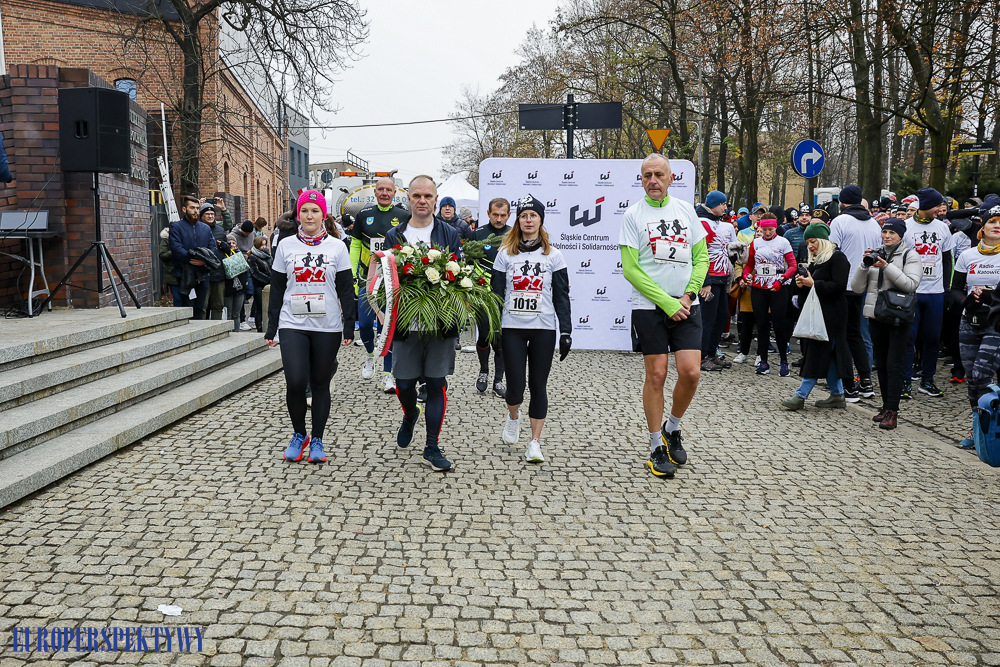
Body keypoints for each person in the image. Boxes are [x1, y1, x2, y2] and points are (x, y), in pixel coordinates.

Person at [619, 154, 708, 479]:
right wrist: (667, 303)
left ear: (671, 178)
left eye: (659, 174)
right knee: (656, 375)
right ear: (641, 180)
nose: (653, 180)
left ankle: (673, 428)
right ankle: (656, 445)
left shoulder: (686, 210)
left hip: (687, 304)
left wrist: (687, 295)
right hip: (649, 308)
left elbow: (701, 258)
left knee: (691, 372)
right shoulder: (633, 215)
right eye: (647, 175)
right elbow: (631, 269)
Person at [265, 190, 356, 464]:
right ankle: (299, 434)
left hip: (326, 325)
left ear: (323, 215)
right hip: (293, 323)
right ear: (298, 215)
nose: (309, 216)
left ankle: (317, 439)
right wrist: (271, 328)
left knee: (319, 384)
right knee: (294, 382)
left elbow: (345, 288)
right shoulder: (286, 246)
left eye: (315, 211)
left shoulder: (337, 247)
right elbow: (278, 288)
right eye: (304, 210)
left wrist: (349, 325)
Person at [384, 175, 465, 472]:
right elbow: (386, 280)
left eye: (427, 196)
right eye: (416, 195)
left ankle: (432, 447)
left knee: (435, 384)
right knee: (404, 383)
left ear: (435, 199)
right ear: (408, 198)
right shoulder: (395, 236)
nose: (422, 201)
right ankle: (409, 414)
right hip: (407, 324)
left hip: (440, 325)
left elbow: (460, 276)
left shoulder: (449, 234)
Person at [492, 195, 571, 463]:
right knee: (515, 388)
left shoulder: (554, 255)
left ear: (540, 220)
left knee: (539, 385)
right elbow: (496, 294)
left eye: (533, 216)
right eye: (524, 215)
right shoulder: (505, 254)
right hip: (512, 326)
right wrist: (493, 326)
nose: (528, 220)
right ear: (518, 220)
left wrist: (566, 331)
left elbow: (561, 296)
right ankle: (513, 416)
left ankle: (535, 442)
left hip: (543, 328)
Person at [850, 218, 921, 429]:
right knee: (881, 364)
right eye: (884, 232)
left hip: (898, 316)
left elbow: (911, 284)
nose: (887, 236)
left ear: (901, 235)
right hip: (877, 314)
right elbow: (856, 287)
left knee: (894, 364)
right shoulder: (876, 253)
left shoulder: (910, 255)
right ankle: (885, 406)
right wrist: (864, 265)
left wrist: (887, 266)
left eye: (892, 232)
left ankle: (893, 410)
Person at [781, 223, 854, 410]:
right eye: (807, 242)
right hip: (821, 312)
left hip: (833, 314)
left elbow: (838, 286)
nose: (810, 246)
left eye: (813, 241)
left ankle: (800, 396)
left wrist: (813, 283)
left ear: (822, 240)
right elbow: (814, 288)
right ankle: (837, 395)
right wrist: (801, 284)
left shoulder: (838, 258)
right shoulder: (818, 260)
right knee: (828, 355)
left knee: (817, 352)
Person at [351, 177, 411, 393]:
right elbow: (356, 245)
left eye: (389, 190)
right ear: (375, 192)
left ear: (395, 193)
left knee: (389, 328)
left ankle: (388, 375)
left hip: (392, 281)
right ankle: (369, 355)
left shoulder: (404, 216)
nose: (385, 193)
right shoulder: (364, 215)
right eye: (381, 189)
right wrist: (352, 271)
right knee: (366, 325)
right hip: (369, 278)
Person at [829, 184, 881, 401]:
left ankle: (848, 385)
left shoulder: (840, 221)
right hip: (866, 285)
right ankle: (866, 381)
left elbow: (831, 251)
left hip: (844, 284)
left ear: (842, 202)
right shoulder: (875, 225)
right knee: (858, 335)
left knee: (842, 336)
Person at [901, 187, 954, 399]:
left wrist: (948, 289)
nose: (940, 209)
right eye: (936, 206)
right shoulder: (905, 227)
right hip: (912, 290)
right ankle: (905, 381)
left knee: (932, 338)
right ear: (924, 206)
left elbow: (947, 258)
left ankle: (927, 379)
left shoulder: (942, 228)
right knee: (908, 337)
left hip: (935, 291)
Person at [955, 205, 1000, 448]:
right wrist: (968, 301)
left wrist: (991, 296)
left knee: (982, 375)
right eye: (992, 221)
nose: (997, 225)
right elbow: (954, 290)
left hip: (996, 323)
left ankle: (993, 428)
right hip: (969, 321)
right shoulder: (967, 255)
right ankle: (978, 431)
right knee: (973, 381)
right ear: (982, 225)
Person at [740, 215, 796, 376]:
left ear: (776, 228)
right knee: (762, 325)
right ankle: (763, 362)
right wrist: (746, 275)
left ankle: (784, 361)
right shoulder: (756, 242)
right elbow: (749, 265)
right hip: (759, 286)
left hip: (778, 285)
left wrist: (783, 279)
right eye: (764, 230)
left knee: (778, 325)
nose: (767, 233)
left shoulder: (783, 242)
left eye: (770, 229)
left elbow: (792, 265)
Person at [471, 197, 512, 396]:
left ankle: (499, 380)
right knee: (485, 334)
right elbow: (468, 266)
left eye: (503, 215)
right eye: (495, 214)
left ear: (508, 215)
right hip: (483, 296)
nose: (498, 219)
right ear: (488, 214)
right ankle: (483, 372)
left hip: (507, 296)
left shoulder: (515, 235)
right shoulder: (477, 234)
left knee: (501, 339)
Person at [697, 190, 735, 370]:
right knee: (707, 319)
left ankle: (712, 353)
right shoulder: (703, 222)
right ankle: (701, 356)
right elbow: (698, 254)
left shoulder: (717, 223)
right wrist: (705, 280)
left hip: (721, 278)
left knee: (721, 318)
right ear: (713, 204)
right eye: (723, 204)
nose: (725, 208)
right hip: (709, 279)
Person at [168, 195, 214, 319]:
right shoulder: (176, 227)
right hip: (184, 274)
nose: (196, 211)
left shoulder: (205, 228)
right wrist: (193, 260)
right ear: (184, 209)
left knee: (200, 307)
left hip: (203, 273)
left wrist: (203, 261)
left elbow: (212, 248)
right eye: (192, 208)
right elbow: (176, 249)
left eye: (198, 208)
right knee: (186, 308)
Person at [200, 201, 232, 320]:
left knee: (218, 305)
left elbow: (229, 250)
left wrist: (225, 246)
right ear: (201, 216)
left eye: (212, 214)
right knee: (202, 306)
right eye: (207, 214)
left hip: (219, 273)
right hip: (203, 273)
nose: (210, 216)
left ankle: (216, 330)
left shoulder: (219, 230)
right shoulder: (197, 229)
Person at [247, 235, 271, 333]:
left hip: (269, 283)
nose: (264, 247)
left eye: (265, 245)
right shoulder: (253, 257)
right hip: (259, 285)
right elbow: (255, 273)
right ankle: (259, 327)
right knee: (259, 307)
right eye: (262, 245)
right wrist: (269, 279)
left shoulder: (267, 255)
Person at [158, 225, 181, 306]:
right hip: (172, 273)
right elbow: (162, 255)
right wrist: (174, 251)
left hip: (186, 273)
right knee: (177, 298)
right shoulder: (166, 240)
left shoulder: (185, 238)